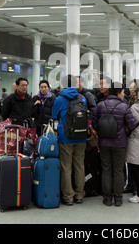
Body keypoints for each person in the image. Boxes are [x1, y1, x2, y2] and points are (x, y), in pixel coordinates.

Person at [92, 82, 137, 207]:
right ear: (118, 93)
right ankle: (118, 198)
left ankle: (107, 198)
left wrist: (101, 133)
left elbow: (94, 123)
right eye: (123, 92)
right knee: (118, 170)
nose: (124, 94)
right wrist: (124, 132)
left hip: (104, 143)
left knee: (106, 169)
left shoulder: (101, 105)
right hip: (119, 143)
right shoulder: (124, 107)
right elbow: (132, 125)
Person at [52, 74, 88, 206]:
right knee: (79, 165)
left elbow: (54, 115)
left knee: (66, 167)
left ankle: (68, 197)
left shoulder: (59, 99)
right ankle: (79, 195)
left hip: (65, 137)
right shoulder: (82, 98)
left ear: (63, 84)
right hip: (81, 136)